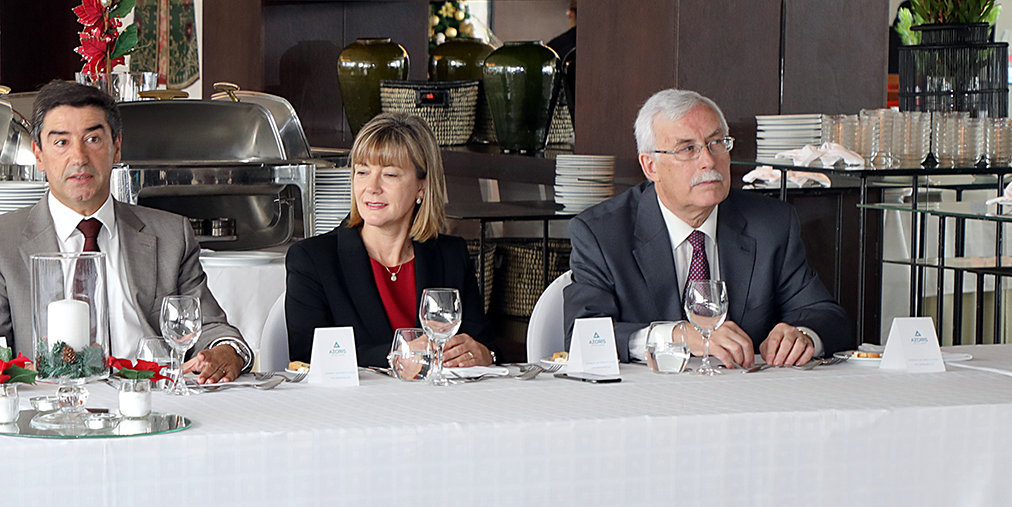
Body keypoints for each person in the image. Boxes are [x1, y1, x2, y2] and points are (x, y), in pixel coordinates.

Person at [0, 80, 250, 380]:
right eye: (61, 143)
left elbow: (210, 328)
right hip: (47, 400)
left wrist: (227, 350)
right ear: (39, 155)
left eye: (93, 139)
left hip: (150, 395)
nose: (79, 158)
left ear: (116, 148)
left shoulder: (171, 235)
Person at [565, 88, 851, 366]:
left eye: (717, 143)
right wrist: (677, 336)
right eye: (687, 149)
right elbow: (583, 336)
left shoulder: (770, 224)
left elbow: (827, 316)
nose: (709, 161)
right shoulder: (602, 234)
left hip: (747, 392)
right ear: (651, 166)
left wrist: (802, 336)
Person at [285, 112, 495, 371]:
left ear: (422, 186)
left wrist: (483, 354)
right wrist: (397, 356)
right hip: (354, 397)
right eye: (362, 172)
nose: (372, 187)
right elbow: (307, 356)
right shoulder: (312, 259)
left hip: (439, 395)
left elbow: (481, 342)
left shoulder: (451, 255)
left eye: (390, 175)